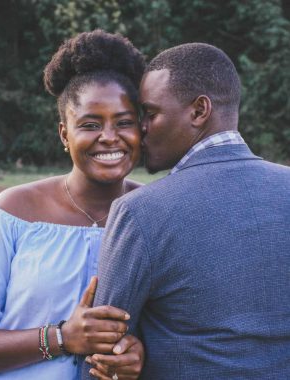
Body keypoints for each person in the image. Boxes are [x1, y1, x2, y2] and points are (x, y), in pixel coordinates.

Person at [0, 29, 146, 380]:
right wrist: (62, 337)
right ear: (65, 133)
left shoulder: (152, 214)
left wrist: (138, 354)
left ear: (142, 128)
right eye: (90, 124)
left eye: (124, 122)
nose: (110, 137)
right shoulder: (13, 213)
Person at [83, 42, 290, 379]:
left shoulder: (140, 212)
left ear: (199, 111)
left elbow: (104, 353)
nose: (141, 128)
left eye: (150, 114)